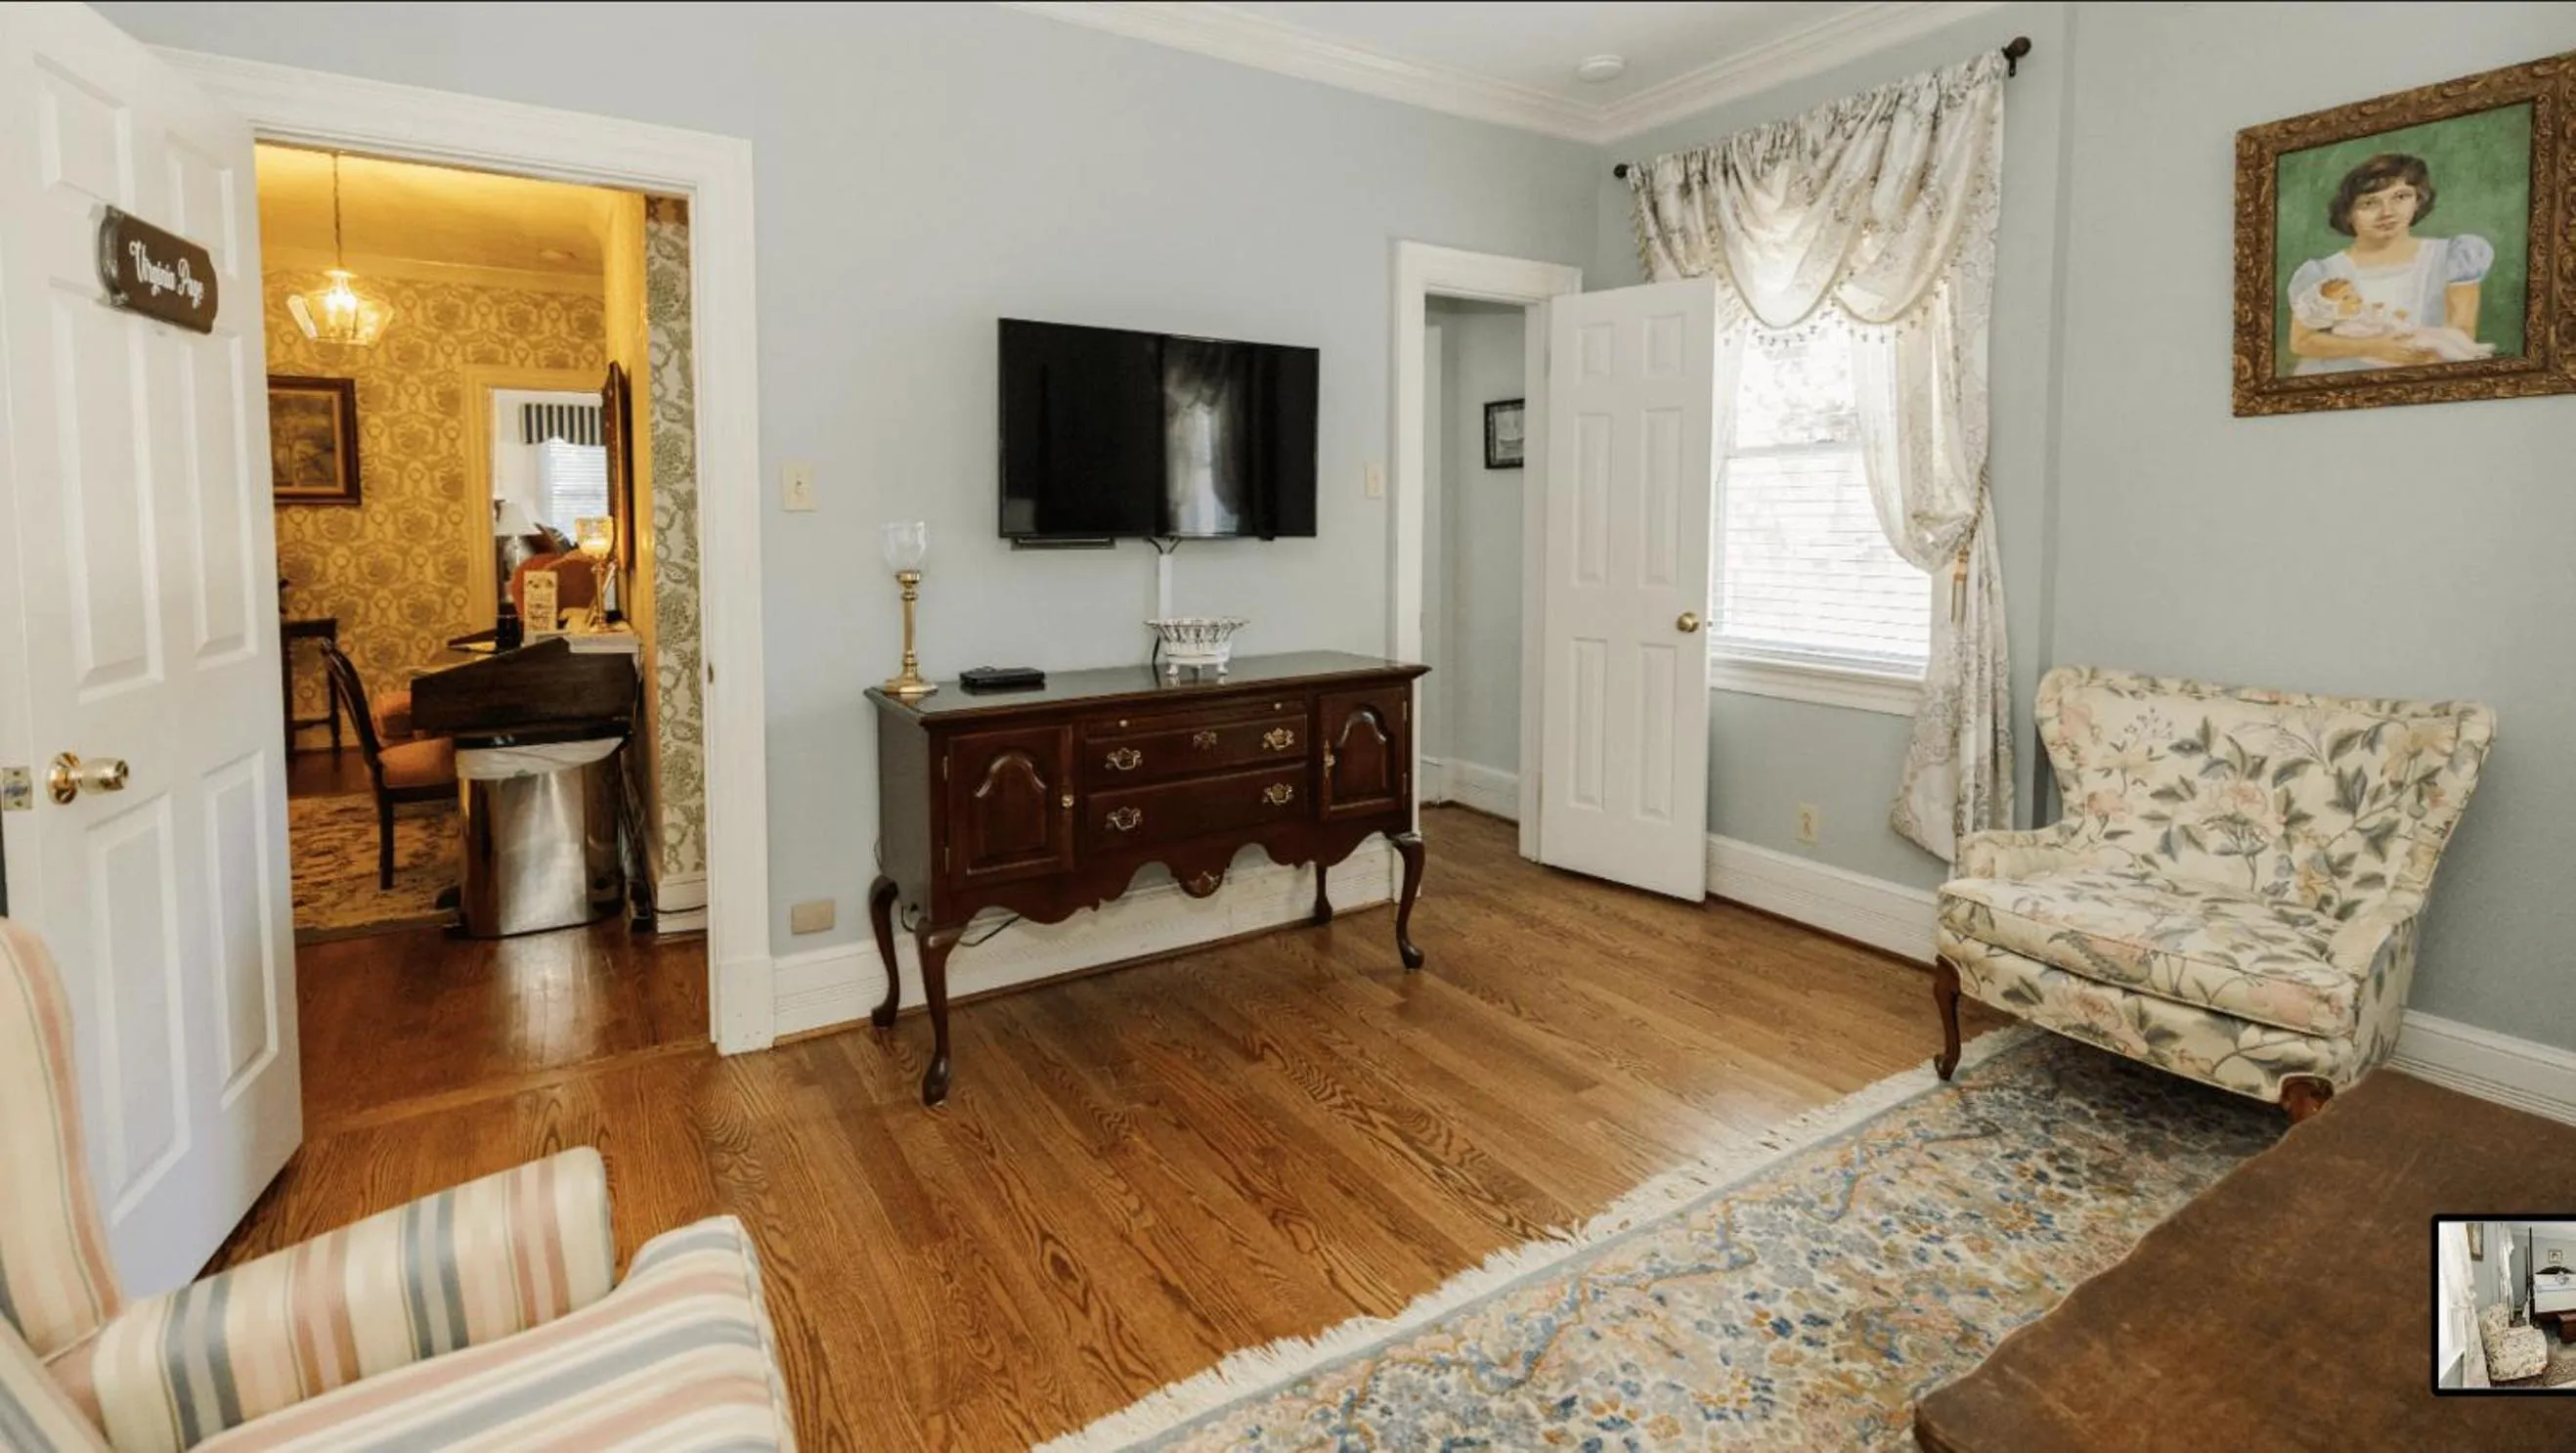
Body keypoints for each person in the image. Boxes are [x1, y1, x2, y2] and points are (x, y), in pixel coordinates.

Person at [2285, 153, 2493, 374]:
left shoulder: (2453, 256)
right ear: (2348, 214)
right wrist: (2374, 347)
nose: (2387, 212)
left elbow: (2461, 334)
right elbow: (2302, 341)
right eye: (2369, 203)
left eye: (2401, 197)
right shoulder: (2324, 272)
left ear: (2418, 200)